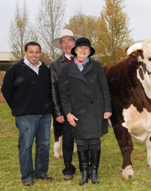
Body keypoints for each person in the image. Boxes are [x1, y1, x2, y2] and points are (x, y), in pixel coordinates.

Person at [59, 37, 112, 185]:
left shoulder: (96, 65)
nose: (83, 50)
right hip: (77, 111)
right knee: (81, 142)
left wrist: (107, 108)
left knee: (95, 141)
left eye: (86, 49)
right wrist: (68, 112)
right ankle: (84, 173)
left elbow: (104, 88)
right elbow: (64, 93)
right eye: (80, 48)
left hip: (95, 109)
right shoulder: (66, 69)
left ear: (89, 52)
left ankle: (93, 172)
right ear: (75, 50)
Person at [1, 42, 53, 186]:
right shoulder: (15, 69)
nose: (34, 55)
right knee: (26, 146)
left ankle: (41, 172)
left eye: (37, 52)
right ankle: (27, 176)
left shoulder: (45, 69)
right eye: (31, 52)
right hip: (26, 116)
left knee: (44, 144)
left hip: (45, 115)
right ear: (25, 52)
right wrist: (18, 107)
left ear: (40, 53)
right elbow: (6, 90)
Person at [50, 29, 81, 180]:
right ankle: (68, 169)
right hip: (66, 108)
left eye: (70, 41)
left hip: (84, 109)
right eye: (64, 42)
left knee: (84, 139)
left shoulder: (85, 59)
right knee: (68, 139)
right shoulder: (55, 64)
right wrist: (58, 112)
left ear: (75, 43)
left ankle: (85, 167)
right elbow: (53, 89)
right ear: (60, 45)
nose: (67, 44)